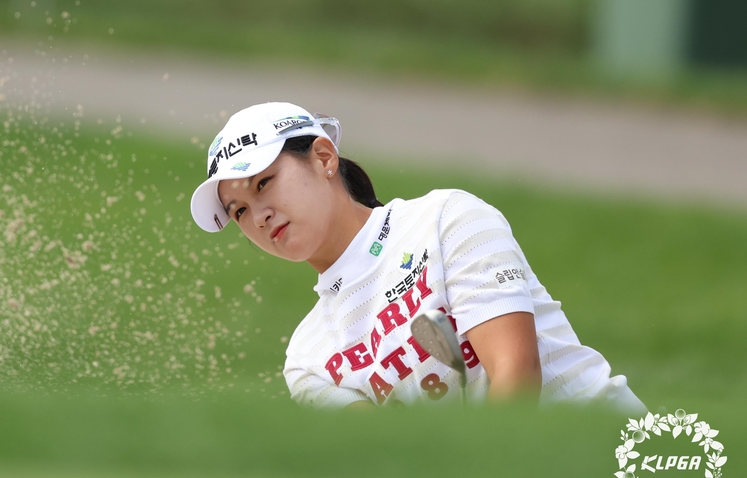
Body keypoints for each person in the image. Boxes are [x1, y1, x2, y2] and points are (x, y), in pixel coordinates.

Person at [189, 101, 646, 413]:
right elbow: (391, 463)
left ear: (324, 157)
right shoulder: (307, 359)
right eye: (240, 211)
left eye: (264, 183)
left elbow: (516, 374)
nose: (259, 216)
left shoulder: (447, 218)